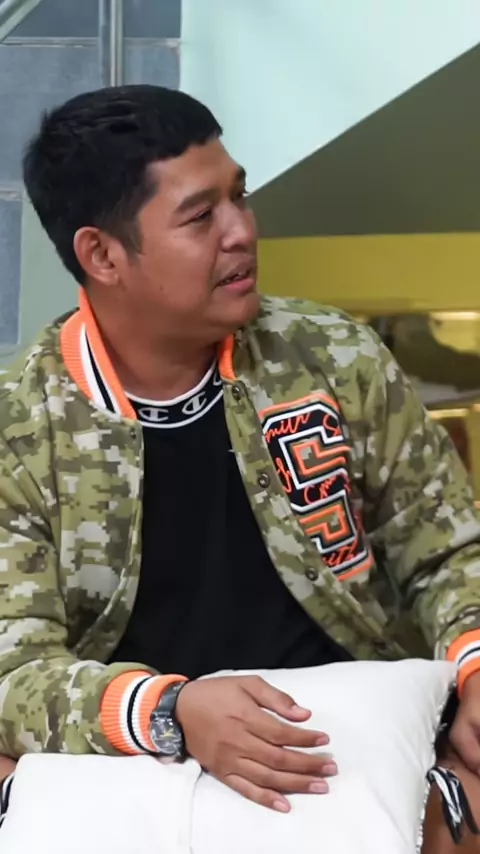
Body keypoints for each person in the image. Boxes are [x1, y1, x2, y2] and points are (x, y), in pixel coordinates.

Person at [0, 84, 480, 821]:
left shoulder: (332, 355)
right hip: (139, 769)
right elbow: (16, 669)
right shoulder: (20, 425)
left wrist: (475, 665)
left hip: (358, 734)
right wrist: (171, 711)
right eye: (201, 216)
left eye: (239, 197)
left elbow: (446, 551)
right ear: (102, 254)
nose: (242, 231)